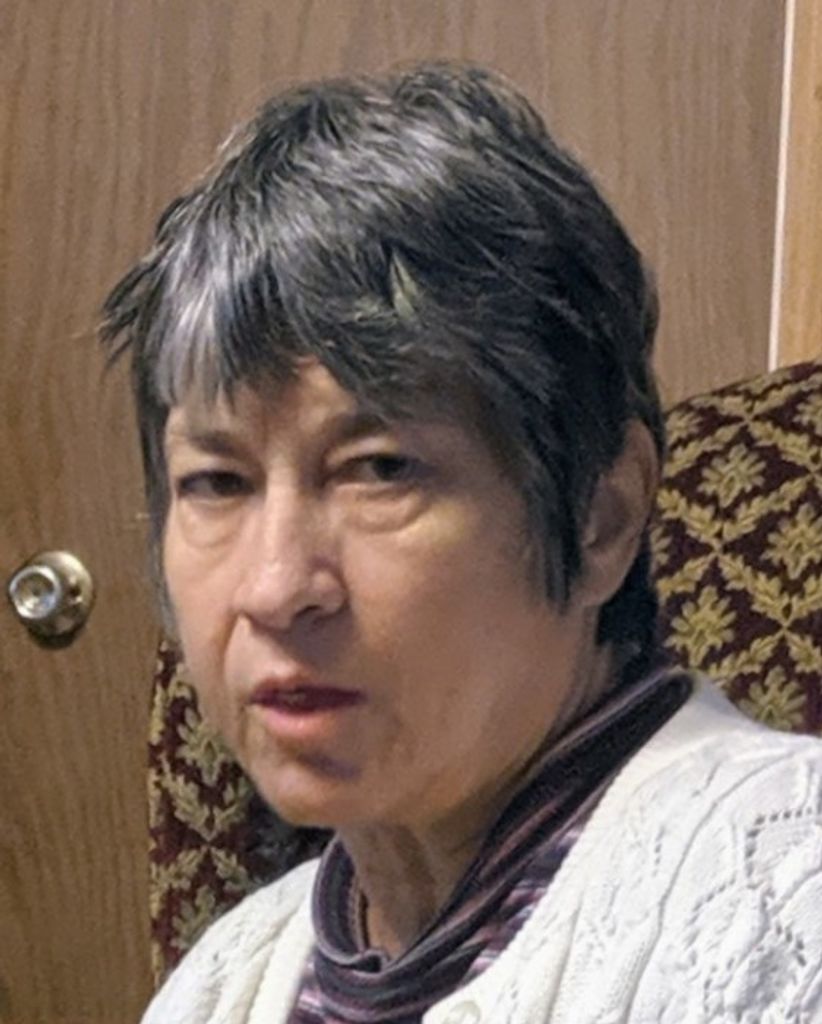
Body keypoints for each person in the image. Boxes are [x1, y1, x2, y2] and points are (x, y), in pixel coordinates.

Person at [102, 63, 822, 1023]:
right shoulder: (226, 977)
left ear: (601, 515)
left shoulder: (778, 899)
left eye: (379, 469)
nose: (275, 587)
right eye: (216, 482)